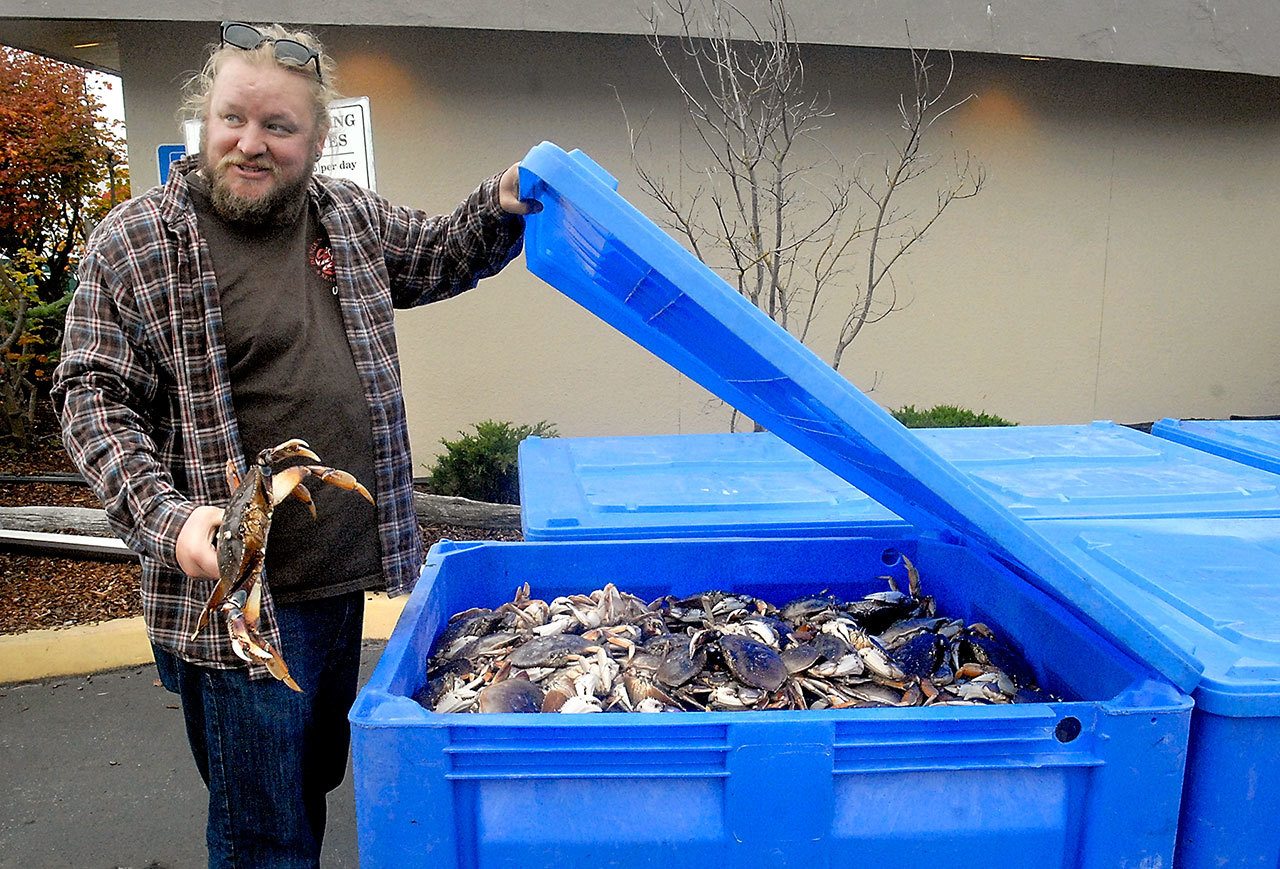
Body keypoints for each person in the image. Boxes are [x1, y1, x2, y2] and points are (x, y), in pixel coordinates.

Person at [51, 21, 533, 868]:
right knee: (263, 836)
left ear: (315, 138)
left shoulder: (342, 214)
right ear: (205, 115)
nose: (251, 143)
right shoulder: (135, 241)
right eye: (236, 118)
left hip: (334, 581)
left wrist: (498, 202)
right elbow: (90, 398)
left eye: (280, 127)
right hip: (235, 604)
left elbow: (435, 253)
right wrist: (169, 521)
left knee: (307, 789)